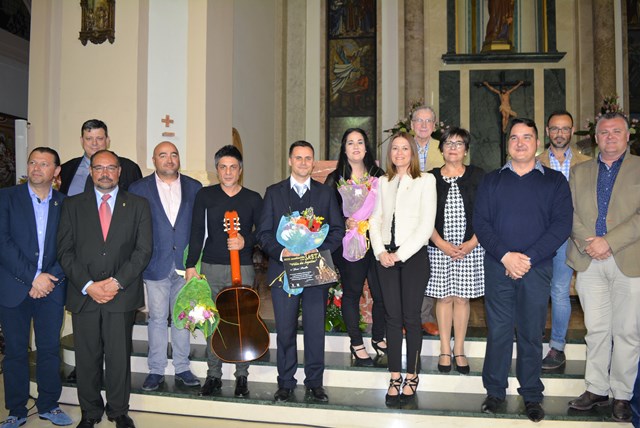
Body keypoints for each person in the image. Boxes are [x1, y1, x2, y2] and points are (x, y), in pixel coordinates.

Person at [473, 118, 572, 422]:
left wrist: (526, 258)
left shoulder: (554, 181)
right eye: (514, 138)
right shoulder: (492, 180)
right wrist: (505, 256)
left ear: (537, 143)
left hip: (536, 268)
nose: (519, 143)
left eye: (526, 137)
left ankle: (531, 394)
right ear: (508, 144)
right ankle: (495, 391)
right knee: (499, 331)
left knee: (531, 333)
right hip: (498, 266)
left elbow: (561, 226)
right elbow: (482, 223)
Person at [57, 149, 152, 428]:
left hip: (120, 294)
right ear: (91, 171)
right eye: (99, 168)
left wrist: (115, 282)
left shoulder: (138, 205)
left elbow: (143, 250)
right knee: (87, 356)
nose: (105, 173)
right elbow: (64, 251)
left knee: (118, 355)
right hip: (84, 294)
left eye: (111, 168)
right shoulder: (72, 205)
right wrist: (88, 285)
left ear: (119, 172)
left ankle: (119, 410)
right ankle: (89, 412)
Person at [566, 112, 640, 423]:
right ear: (596, 138)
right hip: (588, 260)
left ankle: (622, 394)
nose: (610, 137)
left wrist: (608, 241)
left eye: (616, 131)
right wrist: (589, 242)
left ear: (627, 136)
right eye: (604, 132)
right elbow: (568, 212)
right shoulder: (579, 171)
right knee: (596, 330)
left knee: (627, 332)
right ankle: (596, 388)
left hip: (628, 259)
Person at [256, 141, 343, 403]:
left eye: (308, 158)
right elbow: (263, 232)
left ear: (313, 163)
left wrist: (314, 250)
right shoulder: (274, 193)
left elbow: (338, 230)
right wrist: (284, 252)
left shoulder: (325, 194)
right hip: (284, 272)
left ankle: (315, 383)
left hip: (315, 271)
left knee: (316, 329)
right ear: (290, 161)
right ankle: (285, 383)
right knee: (285, 329)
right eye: (299, 158)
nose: (304, 162)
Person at [0, 148, 73, 427]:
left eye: (44, 164)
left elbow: (69, 248)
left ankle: (49, 405)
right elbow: (3, 243)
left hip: (51, 289)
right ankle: (16, 410)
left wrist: (47, 279)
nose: (36, 168)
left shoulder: (67, 204)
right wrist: (33, 278)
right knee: (16, 351)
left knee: (49, 349)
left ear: (56, 171)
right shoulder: (6, 198)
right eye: (33, 162)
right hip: (13, 287)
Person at [185, 145, 263, 397]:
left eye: (233, 167)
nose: (228, 172)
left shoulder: (253, 198)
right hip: (210, 266)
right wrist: (190, 265)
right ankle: (214, 375)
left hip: (244, 268)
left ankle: (242, 376)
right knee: (212, 322)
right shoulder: (205, 196)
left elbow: (262, 232)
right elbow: (196, 231)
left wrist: (245, 242)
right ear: (216, 170)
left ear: (240, 170)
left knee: (243, 321)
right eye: (222, 167)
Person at [128, 142, 202, 392]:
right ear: (154, 159)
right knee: (157, 318)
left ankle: (182, 367)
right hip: (155, 264)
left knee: (182, 318)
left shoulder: (194, 187)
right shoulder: (138, 189)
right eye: (163, 155)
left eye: (173, 154)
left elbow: (199, 228)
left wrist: (195, 261)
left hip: (186, 265)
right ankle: (156, 370)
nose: (169, 160)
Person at [369, 131, 436, 406]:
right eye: (395, 149)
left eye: (404, 148)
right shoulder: (382, 182)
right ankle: (394, 375)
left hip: (413, 259)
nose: (399, 153)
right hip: (385, 257)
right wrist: (380, 252)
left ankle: (412, 374)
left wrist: (399, 255)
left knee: (411, 317)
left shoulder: (426, 180)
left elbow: (425, 225)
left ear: (413, 153)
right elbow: (375, 219)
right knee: (392, 318)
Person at [425, 127, 485, 375]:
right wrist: (440, 243)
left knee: (462, 298)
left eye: (459, 143)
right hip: (439, 247)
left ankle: (459, 349)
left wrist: (472, 242)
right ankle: (444, 350)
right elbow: (424, 215)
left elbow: (487, 213)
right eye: (448, 143)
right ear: (441, 149)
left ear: (466, 150)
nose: (453, 147)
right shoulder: (430, 178)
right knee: (444, 297)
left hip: (470, 246)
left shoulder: (478, 175)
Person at [324, 128, 386, 366]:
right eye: (351, 143)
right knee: (352, 293)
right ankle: (357, 343)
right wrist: (345, 221)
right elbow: (327, 212)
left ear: (366, 147)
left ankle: (378, 337)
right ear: (344, 148)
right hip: (349, 244)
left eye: (360, 142)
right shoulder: (336, 178)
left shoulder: (378, 176)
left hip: (377, 242)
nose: (356, 146)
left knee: (381, 294)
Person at [536, 110, 590, 370]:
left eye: (565, 128)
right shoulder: (534, 161)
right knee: (535, 290)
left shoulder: (587, 162)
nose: (560, 133)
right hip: (540, 236)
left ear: (571, 130)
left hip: (571, 236)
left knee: (559, 291)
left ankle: (557, 347)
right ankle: (533, 339)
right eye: (555, 128)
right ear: (547, 131)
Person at [410, 105, 444, 337]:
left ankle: (426, 317)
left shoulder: (443, 148)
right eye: (418, 121)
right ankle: (407, 316)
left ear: (434, 125)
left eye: (428, 121)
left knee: (430, 267)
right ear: (412, 124)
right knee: (406, 267)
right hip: (405, 214)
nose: (423, 125)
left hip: (435, 212)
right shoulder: (402, 146)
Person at [59, 119, 142, 195]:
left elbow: (137, 204)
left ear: (107, 141)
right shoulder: (65, 169)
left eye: (99, 138)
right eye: (89, 138)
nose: (94, 143)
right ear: (81, 141)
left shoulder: (129, 169)